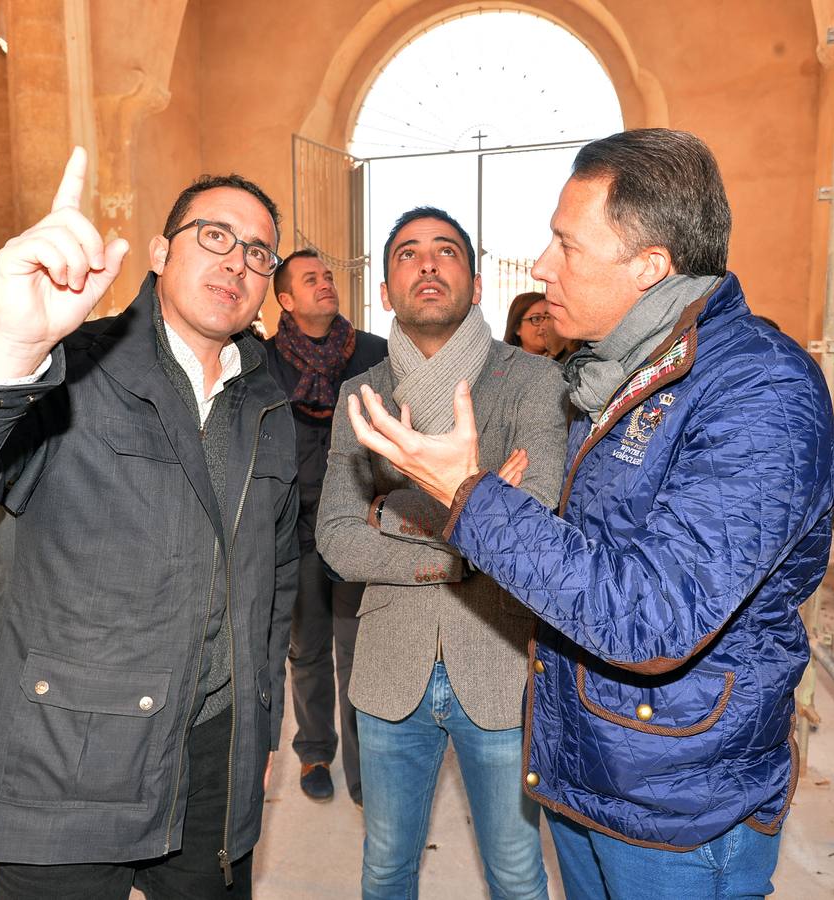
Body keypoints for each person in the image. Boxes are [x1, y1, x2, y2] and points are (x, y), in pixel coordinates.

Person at [343, 129, 834, 899]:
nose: (542, 266)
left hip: (676, 800)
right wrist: (495, 505)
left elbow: (650, 619)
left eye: (565, 245)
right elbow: (590, 559)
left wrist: (469, 497)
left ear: (649, 266)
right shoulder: (618, 374)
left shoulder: (762, 391)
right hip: (593, 769)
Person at [0, 148, 299, 899]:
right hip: (62, 762)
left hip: (213, 762)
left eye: (258, 251)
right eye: (213, 236)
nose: (237, 263)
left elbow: (276, 581)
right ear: (159, 253)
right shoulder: (67, 367)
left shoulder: (269, 398)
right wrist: (12, 346)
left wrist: (260, 721)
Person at [317, 207, 565, 900]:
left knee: (517, 872)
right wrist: (477, 521)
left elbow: (539, 516)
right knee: (386, 867)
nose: (426, 264)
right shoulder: (358, 398)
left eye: (444, 251)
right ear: (388, 289)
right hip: (388, 666)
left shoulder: (532, 381)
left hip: (499, 664)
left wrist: (393, 519)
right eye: (406, 254)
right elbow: (337, 541)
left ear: (476, 283)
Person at [264, 248, 386, 804]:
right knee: (306, 646)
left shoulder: (373, 354)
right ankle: (315, 749)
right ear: (286, 299)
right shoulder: (264, 363)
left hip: (358, 523)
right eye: (310, 279)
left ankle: (365, 770)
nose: (325, 285)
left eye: (329, 276)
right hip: (292, 528)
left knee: (357, 649)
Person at [503, 291, 552, 357]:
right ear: (517, 328)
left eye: (549, 318)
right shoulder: (504, 363)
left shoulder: (565, 363)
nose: (545, 326)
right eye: (536, 319)